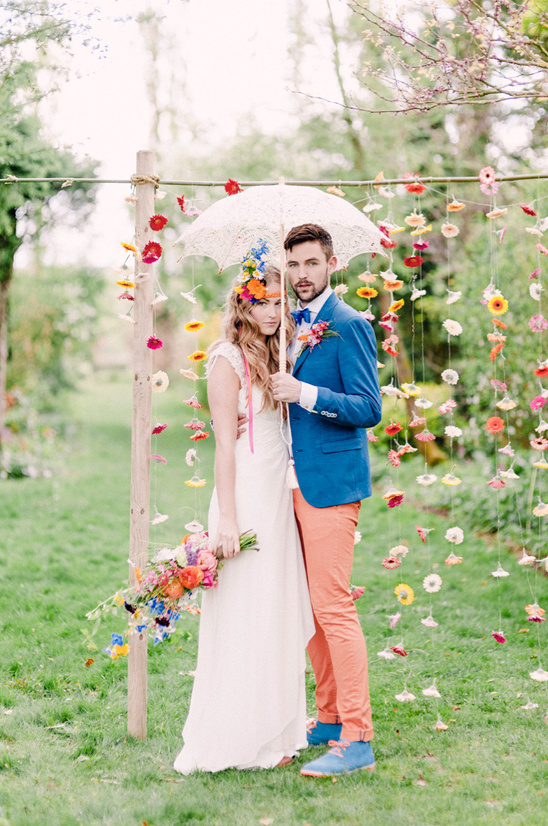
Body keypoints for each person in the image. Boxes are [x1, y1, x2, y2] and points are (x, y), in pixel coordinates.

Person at [173, 246, 314, 774]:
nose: (274, 312)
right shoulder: (226, 358)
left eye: (279, 302)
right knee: (244, 610)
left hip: (280, 491)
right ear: (243, 304)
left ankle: (279, 729)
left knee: (275, 605)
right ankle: (237, 732)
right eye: (263, 302)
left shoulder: (285, 352)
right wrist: (226, 519)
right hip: (244, 493)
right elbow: (225, 446)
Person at [271, 223, 382, 777]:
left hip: (332, 488)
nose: (301, 275)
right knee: (311, 611)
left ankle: (358, 737)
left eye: (311, 264)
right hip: (290, 483)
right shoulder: (292, 327)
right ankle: (331, 717)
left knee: (334, 608)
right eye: (293, 265)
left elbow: (368, 407)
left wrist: (305, 393)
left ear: (332, 264)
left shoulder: (349, 324)